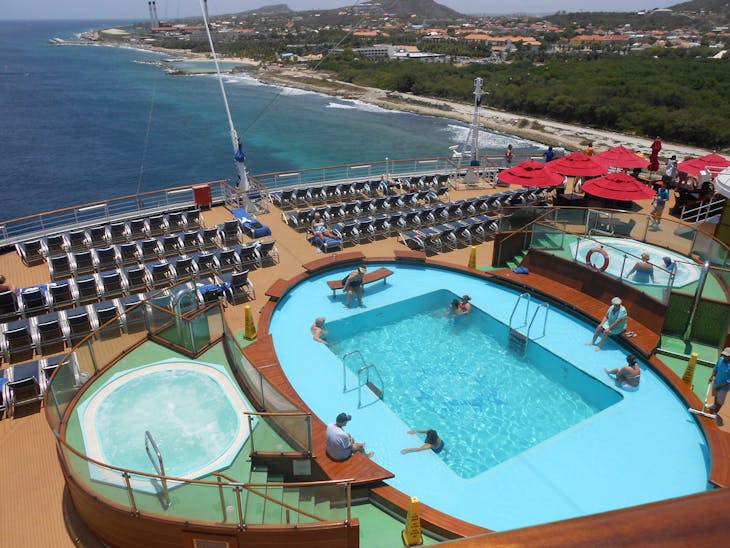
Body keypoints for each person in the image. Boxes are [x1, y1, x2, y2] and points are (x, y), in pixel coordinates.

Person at [709, 348, 730, 415]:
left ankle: (715, 412)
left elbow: (728, 381)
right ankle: (714, 406)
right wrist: (712, 376)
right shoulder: (720, 359)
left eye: (726, 356)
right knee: (716, 396)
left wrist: (720, 387)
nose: (724, 357)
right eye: (724, 355)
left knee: (720, 401)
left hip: (724, 387)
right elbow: (716, 369)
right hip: (716, 382)